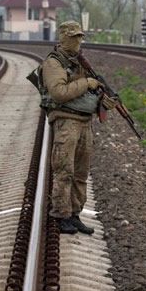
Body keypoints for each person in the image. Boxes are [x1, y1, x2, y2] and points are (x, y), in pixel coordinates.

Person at [40, 20, 103, 235]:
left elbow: (88, 91)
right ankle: (61, 215)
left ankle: (75, 214)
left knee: (80, 173)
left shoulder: (80, 63)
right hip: (66, 121)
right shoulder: (54, 63)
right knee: (64, 170)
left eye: (80, 36)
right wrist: (86, 84)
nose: (78, 41)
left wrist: (103, 100)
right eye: (74, 36)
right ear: (64, 37)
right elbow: (59, 92)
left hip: (85, 122)